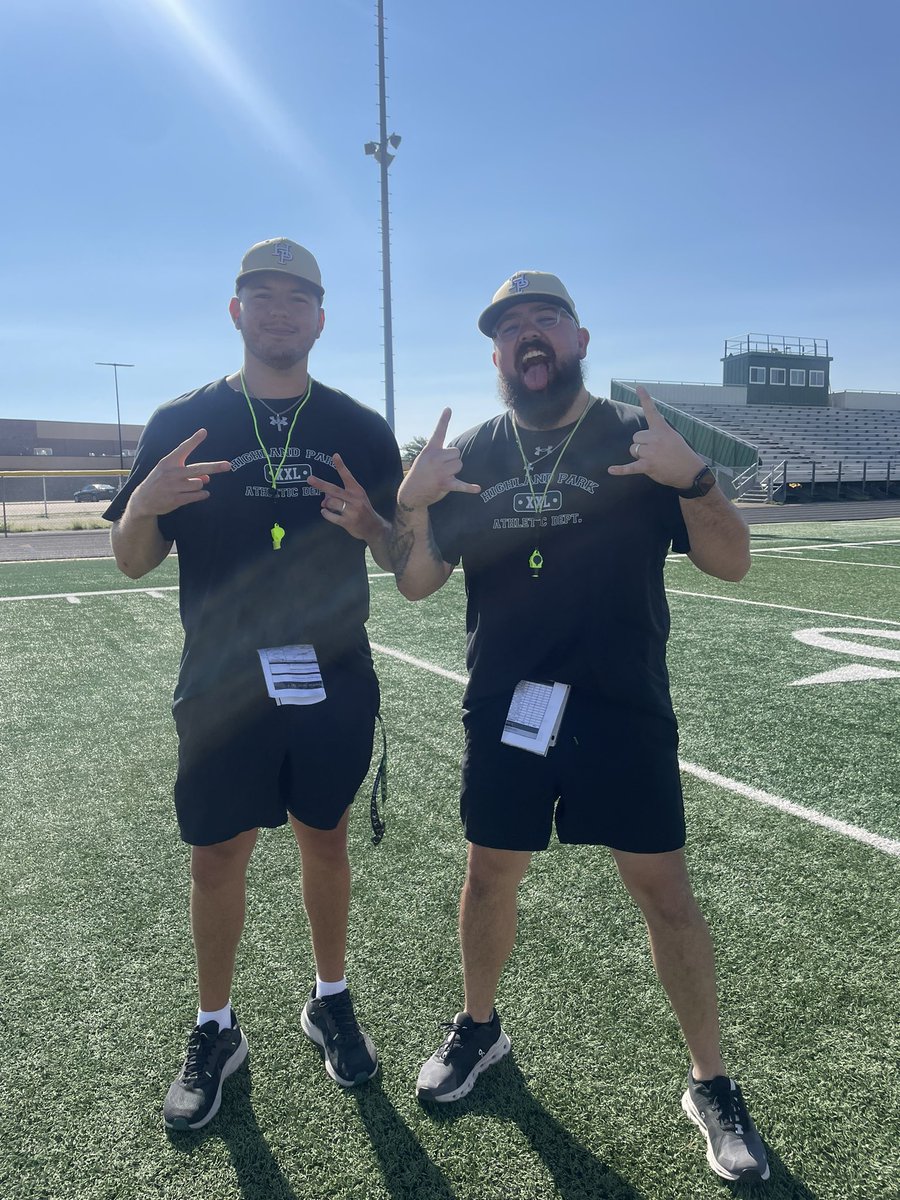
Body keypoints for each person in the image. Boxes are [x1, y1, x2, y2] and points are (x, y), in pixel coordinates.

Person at [390, 270, 769, 1184]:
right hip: (505, 706)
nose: (529, 337)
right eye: (511, 326)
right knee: (489, 877)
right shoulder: (470, 456)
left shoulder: (636, 441)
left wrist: (698, 479)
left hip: (620, 704)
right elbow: (414, 584)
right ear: (494, 354)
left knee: (664, 894)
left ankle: (711, 1082)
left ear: (580, 337)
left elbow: (732, 562)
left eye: (545, 320)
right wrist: (412, 502)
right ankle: (481, 1030)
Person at [105, 237, 403, 1131]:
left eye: (297, 297)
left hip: (331, 674)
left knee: (325, 837)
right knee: (218, 854)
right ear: (236, 311)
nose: (279, 310)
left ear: (320, 316)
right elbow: (129, 561)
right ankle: (215, 1027)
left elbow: (406, 555)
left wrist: (373, 525)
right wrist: (148, 505)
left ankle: (330, 997)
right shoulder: (181, 422)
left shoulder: (357, 427)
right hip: (223, 679)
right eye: (261, 295)